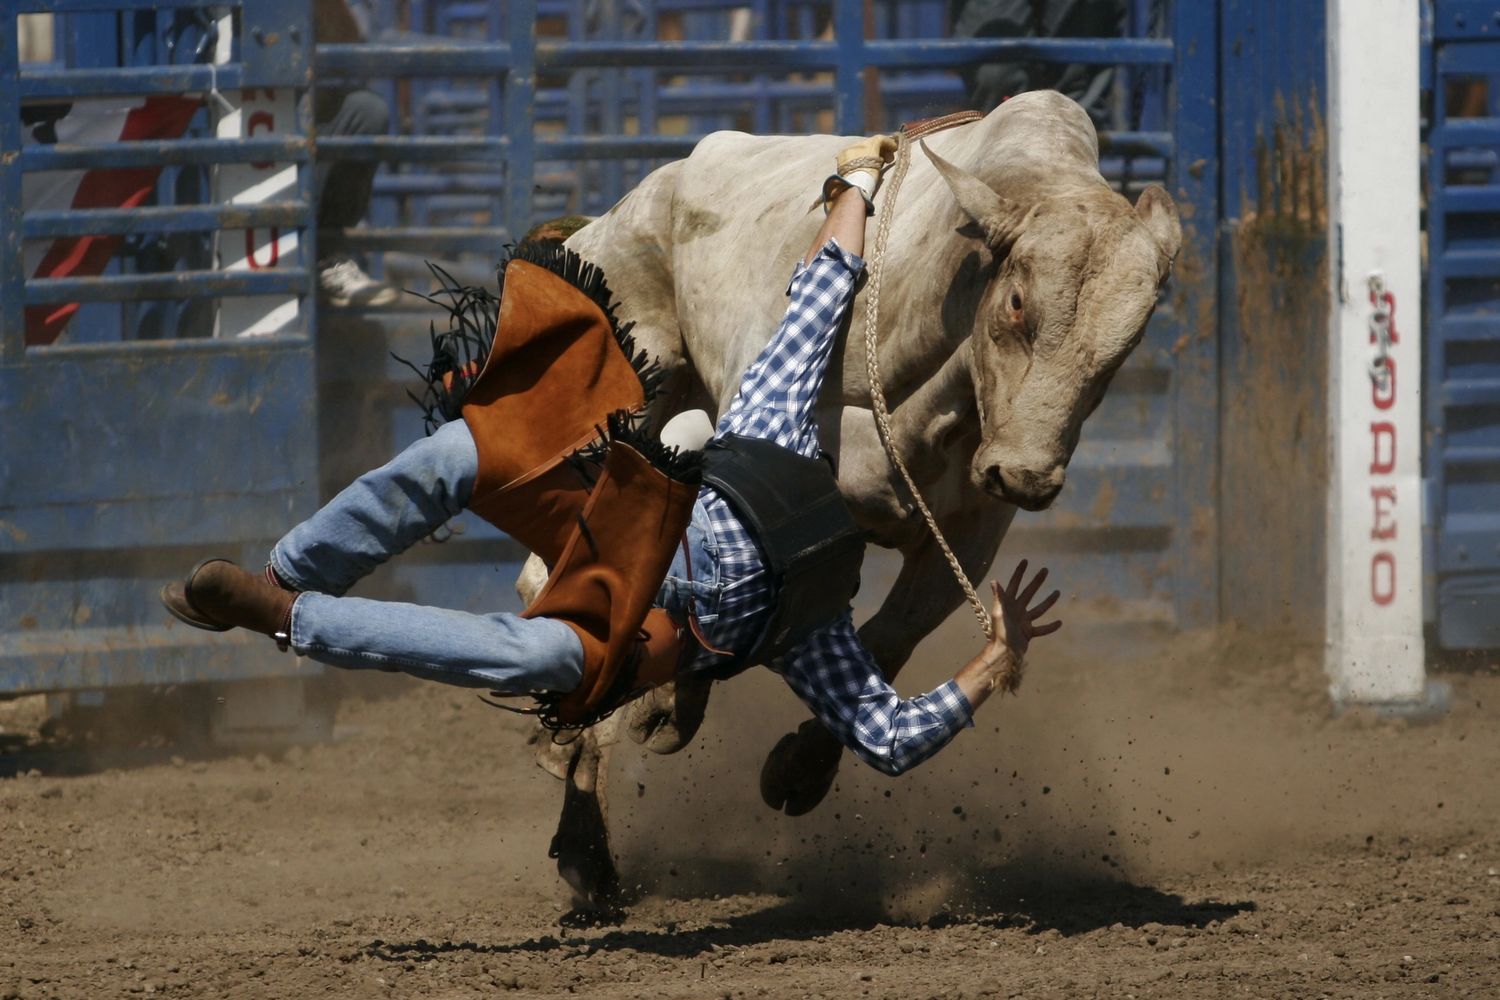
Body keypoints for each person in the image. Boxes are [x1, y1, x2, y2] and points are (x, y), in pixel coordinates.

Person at [161, 134, 1063, 777]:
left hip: (625, 629)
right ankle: (287, 573)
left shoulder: (816, 635)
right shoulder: (778, 431)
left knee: (523, 657)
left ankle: (285, 615)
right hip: (634, 513)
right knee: (466, 455)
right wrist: (857, 184)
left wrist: (995, 661)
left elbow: (893, 739)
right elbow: (827, 284)